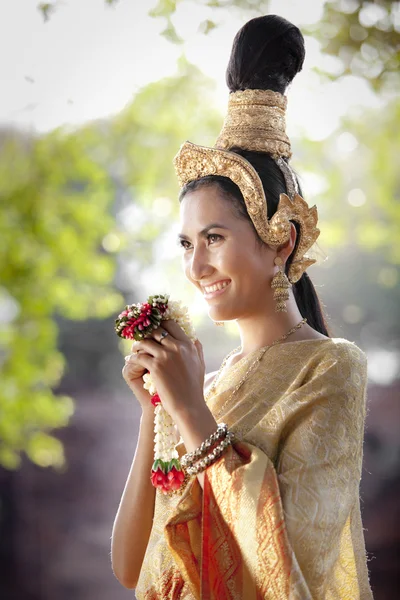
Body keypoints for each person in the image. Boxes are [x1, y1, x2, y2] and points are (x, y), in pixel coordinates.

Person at [111, 14, 373, 600]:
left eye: (215, 239)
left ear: (281, 239)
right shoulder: (205, 385)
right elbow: (134, 570)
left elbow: (290, 581)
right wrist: (157, 411)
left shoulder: (330, 369)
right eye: (186, 243)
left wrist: (194, 418)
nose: (195, 267)